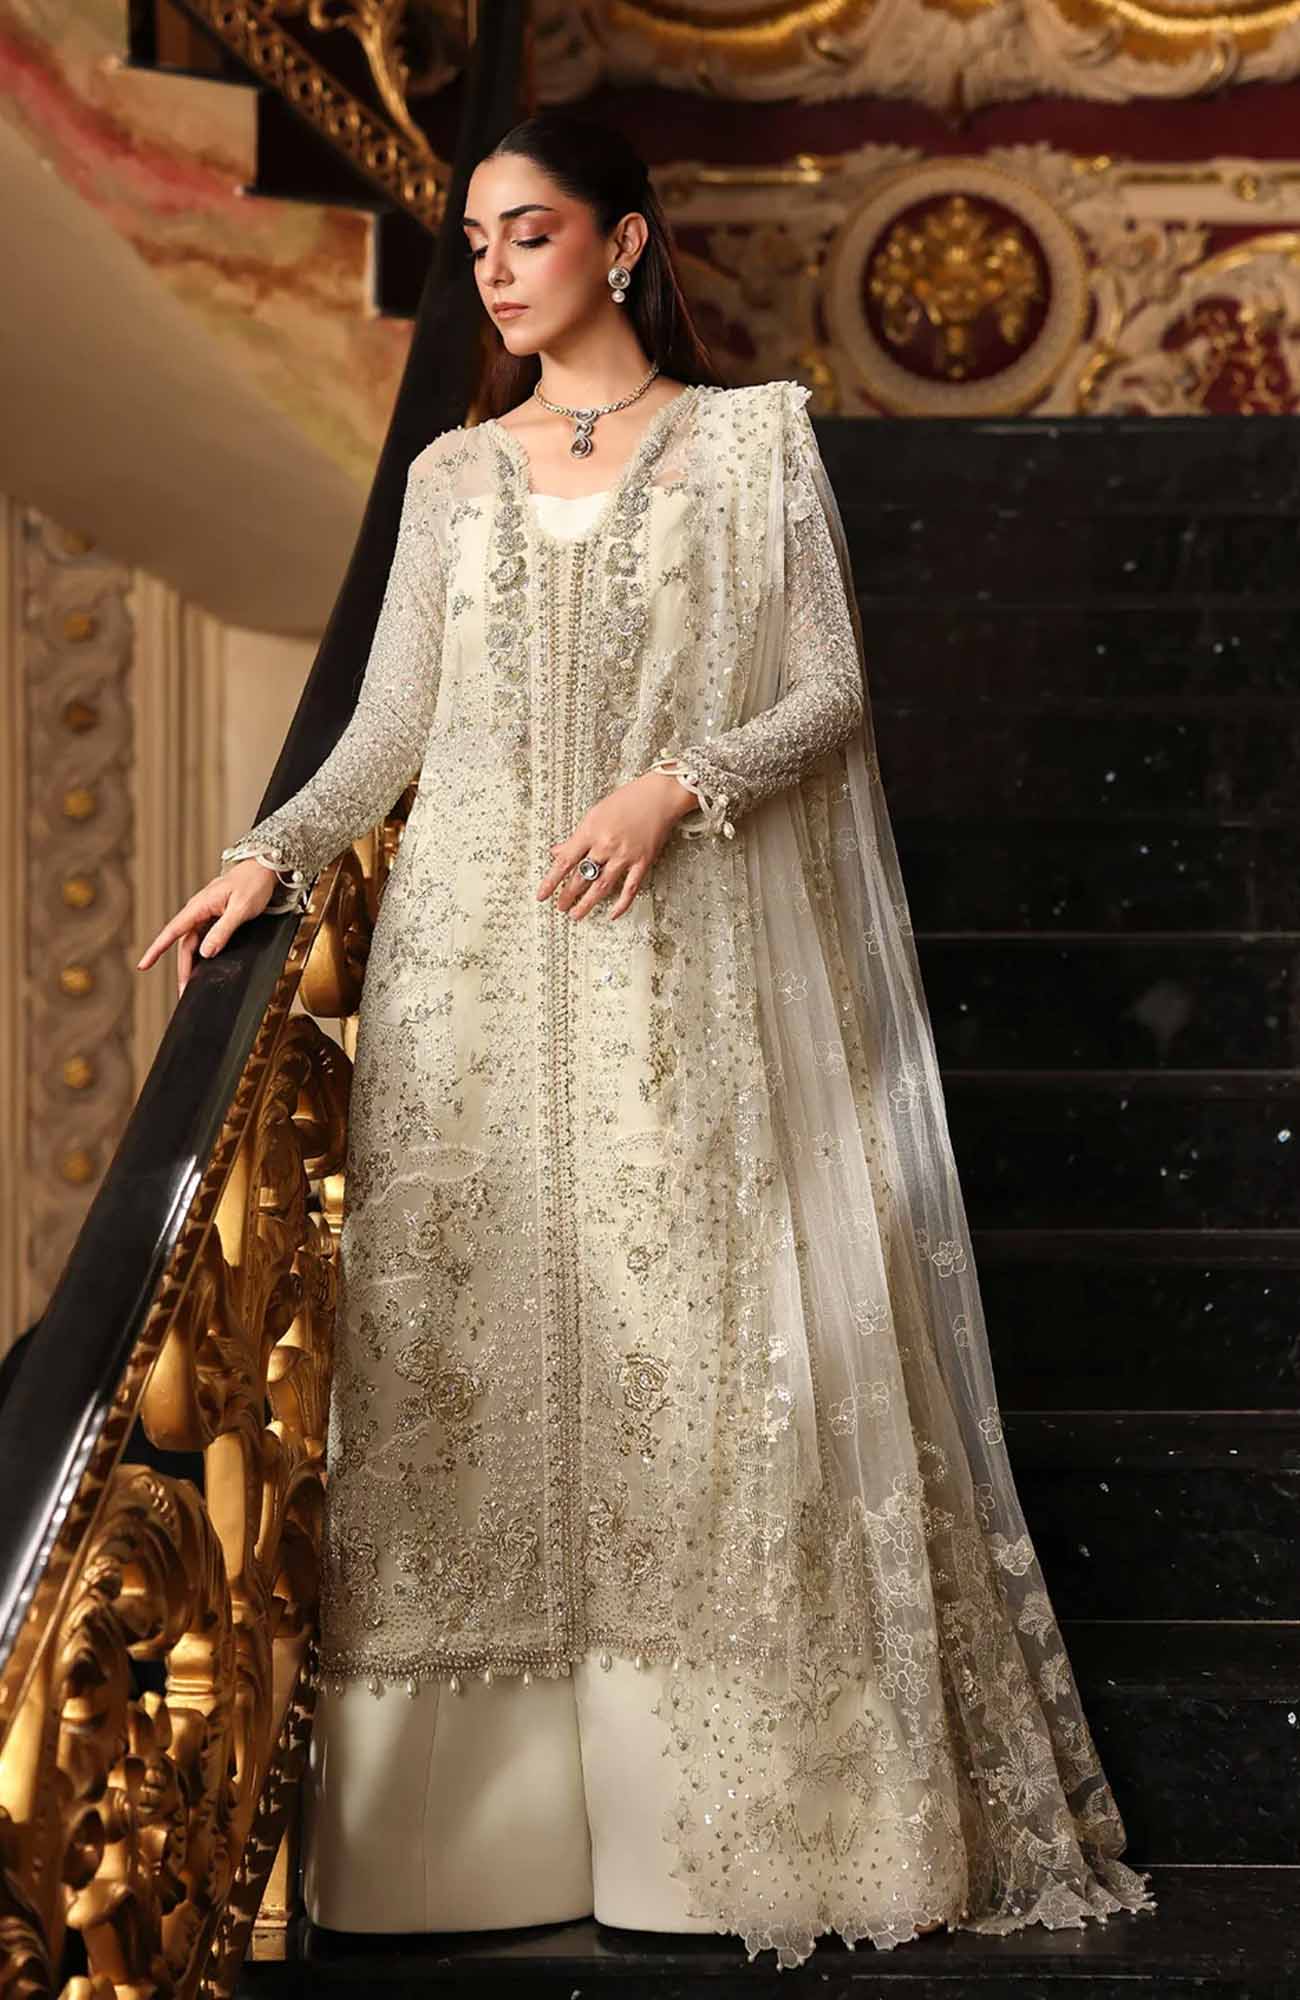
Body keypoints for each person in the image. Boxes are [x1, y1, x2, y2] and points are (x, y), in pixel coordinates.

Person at [137, 110, 1157, 1971]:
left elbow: (829, 694)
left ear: (622, 243)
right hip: (465, 983)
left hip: (674, 975)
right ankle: (463, 1842)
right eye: (473, 242)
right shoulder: (451, 474)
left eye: (527, 234)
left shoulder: (753, 442)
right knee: (469, 1369)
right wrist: (264, 860)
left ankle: (724, 1830)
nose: (492, 271)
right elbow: (390, 726)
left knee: (688, 1355)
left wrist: (672, 788)